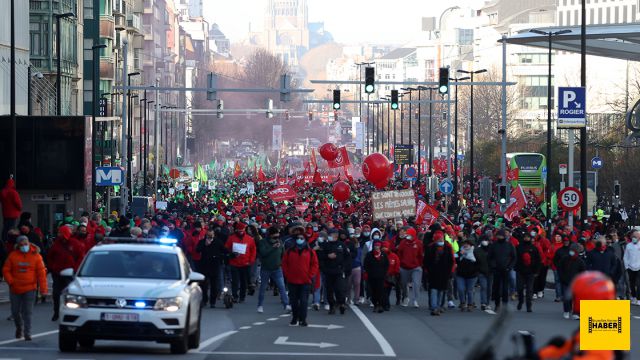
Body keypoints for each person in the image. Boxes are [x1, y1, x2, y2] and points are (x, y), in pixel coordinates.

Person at [537, 271, 618, 360]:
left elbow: (600, 357)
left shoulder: (605, 323)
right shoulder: (602, 317)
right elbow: (574, 347)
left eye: (577, 296)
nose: (574, 301)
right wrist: (540, 354)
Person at [3, 235, 47, 341]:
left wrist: (43, 289)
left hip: (30, 288)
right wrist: (11, 281)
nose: (24, 246)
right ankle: (19, 327)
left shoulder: (36, 256)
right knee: (15, 311)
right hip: (15, 288)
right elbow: (6, 269)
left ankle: (27, 333)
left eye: (26, 244)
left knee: (27, 312)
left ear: (29, 243)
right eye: (22, 245)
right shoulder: (13, 256)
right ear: (18, 245)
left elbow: (41, 274)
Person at [47, 226, 84, 321]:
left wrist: (75, 269)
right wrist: (52, 267)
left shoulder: (74, 243)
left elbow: (80, 257)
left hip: (69, 273)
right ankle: (56, 312)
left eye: (60, 233)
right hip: (57, 273)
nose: (58, 234)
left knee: (70, 294)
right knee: (56, 294)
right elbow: (50, 256)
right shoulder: (56, 244)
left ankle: (71, 312)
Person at [282, 233, 319, 327]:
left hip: (305, 280)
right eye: (298, 238)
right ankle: (295, 318)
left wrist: (310, 275)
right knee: (294, 301)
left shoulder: (310, 252)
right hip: (292, 280)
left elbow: (314, 264)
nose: (299, 239)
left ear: (305, 240)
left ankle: (303, 319)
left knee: (303, 301)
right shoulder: (289, 251)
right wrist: (288, 274)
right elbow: (284, 263)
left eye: (301, 238)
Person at [256, 227, 290, 313]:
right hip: (266, 269)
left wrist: (282, 263)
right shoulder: (263, 242)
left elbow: (283, 254)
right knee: (263, 288)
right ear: (270, 235)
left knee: (282, 287)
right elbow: (263, 253)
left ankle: (286, 305)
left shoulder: (280, 242)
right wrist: (272, 248)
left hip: (277, 268)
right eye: (275, 236)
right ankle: (260, 305)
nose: (277, 238)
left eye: (278, 236)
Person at [318, 228, 350, 314]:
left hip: (339, 271)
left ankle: (342, 303)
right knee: (329, 290)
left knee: (340, 289)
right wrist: (328, 256)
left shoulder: (341, 244)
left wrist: (344, 267)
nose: (334, 236)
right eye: (332, 235)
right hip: (328, 271)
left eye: (335, 234)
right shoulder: (325, 245)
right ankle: (332, 306)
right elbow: (320, 257)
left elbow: (347, 257)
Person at [424, 230, 455, 316]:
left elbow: (451, 261)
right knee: (434, 290)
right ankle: (434, 307)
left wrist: (450, 271)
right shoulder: (430, 248)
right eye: (439, 239)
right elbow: (426, 261)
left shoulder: (448, 247)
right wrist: (428, 271)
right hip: (433, 273)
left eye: (441, 238)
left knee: (441, 291)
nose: (441, 240)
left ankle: (438, 306)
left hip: (444, 273)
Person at [224, 222, 256, 303]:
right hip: (234, 263)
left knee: (243, 282)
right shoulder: (231, 238)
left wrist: (251, 261)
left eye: (242, 230)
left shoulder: (249, 239)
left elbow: (253, 250)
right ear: (236, 230)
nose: (241, 232)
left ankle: (242, 297)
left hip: (245, 263)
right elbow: (226, 248)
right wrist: (231, 254)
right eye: (239, 230)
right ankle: (235, 296)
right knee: (235, 281)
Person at [195, 227, 227, 307]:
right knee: (204, 285)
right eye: (208, 235)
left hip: (214, 265)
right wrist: (205, 245)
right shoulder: (202, 242)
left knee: (214, 285)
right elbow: (197, 250)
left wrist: (231, 254)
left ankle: (213, 302)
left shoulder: (218, 242)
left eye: (211, 235)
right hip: (204, 265)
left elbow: (224, 250)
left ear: (214, 235)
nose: (210, 237)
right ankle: (204, 300)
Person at [488, 229, 516, 312]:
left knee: (505, 288)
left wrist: (509, 267)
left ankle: (505, 304)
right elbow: (490, 257)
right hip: (496, 269)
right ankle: (497, 304)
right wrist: (493, 266)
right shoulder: (494, 245)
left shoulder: (509, 245)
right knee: (497, 288)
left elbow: (514, 257)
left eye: (501, 235)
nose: (499, 237)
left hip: (506, 269)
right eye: (498, 235)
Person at [515, 231, 542, 312]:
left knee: (529, 290)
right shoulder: (519, 247)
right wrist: (515, 267)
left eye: (528, 237)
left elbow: (538, 260)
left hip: (530, 272)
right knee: (520, 288)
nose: (526, 238)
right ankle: (520, 301)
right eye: (525, 237)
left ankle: (528, 305)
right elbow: (515, 258)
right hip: (520, 271)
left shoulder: (534, 248)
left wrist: (537, 271)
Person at [397, 227, 424, 308]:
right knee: (404, 284)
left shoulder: (418, 243)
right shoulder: (403, 242)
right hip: (404, 267)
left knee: (416, 283)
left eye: (409, 234)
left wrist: (419, 264)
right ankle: (406, 297)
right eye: (407, 234)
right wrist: (401, 263)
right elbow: (399, 253)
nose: (407, 236)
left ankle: (415, 300)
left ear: (413, 235)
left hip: (415, 267)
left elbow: (420, 255)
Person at [559, 243, 586, 319]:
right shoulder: (565, 259)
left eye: (574, 251)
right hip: (565, 281)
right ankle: (566, 311)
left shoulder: (580, 261)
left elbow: (583, 272)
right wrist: (562, 277)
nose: (572, 252)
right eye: (571, 250)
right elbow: (560, 268)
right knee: (567, 297)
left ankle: (576, 313)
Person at [363, 240, 389, 313]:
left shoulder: (383, 254)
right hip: (372, 276)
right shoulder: (369, 254)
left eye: (378, 245)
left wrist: (384, 273)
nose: (377, 247)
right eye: (375, 245)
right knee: (373, 291)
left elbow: (386, 264)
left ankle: (380, 305)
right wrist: (369, 272)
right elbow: (366, 264)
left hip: (381, 276)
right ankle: (375, 304)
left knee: (380, 290)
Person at [456, 239, 479, 312]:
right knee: (461, 289)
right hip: (460, 274)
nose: (465, 245)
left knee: (470, 290)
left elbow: (478, 262)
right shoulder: (460, 251)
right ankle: (462, 303)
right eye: (464, 244)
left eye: (467, 244)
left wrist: (476, 270)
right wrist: (460, 254)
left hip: (472, 275)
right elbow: (454, 257)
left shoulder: (474, 252)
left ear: (471, 245)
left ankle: (470, 304)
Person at [0, 177, 22, 244]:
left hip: (5, 214)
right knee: (11, 228)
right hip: (13, 214)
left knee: (5, 227)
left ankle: (4, 240)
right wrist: (19, 208)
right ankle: (9, 241)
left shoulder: (2, 192)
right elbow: (18, 203)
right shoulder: (14, 192)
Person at [623, 230, 640, 305]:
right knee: (632, 283)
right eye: (633, 237)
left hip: (639, 266)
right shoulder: (628, 246)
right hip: (630, 267)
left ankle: (639, 298)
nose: (634, 238)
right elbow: (625, 257)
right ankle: (633, 297)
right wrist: (626, 266)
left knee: (639, 283)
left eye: (636, 237)